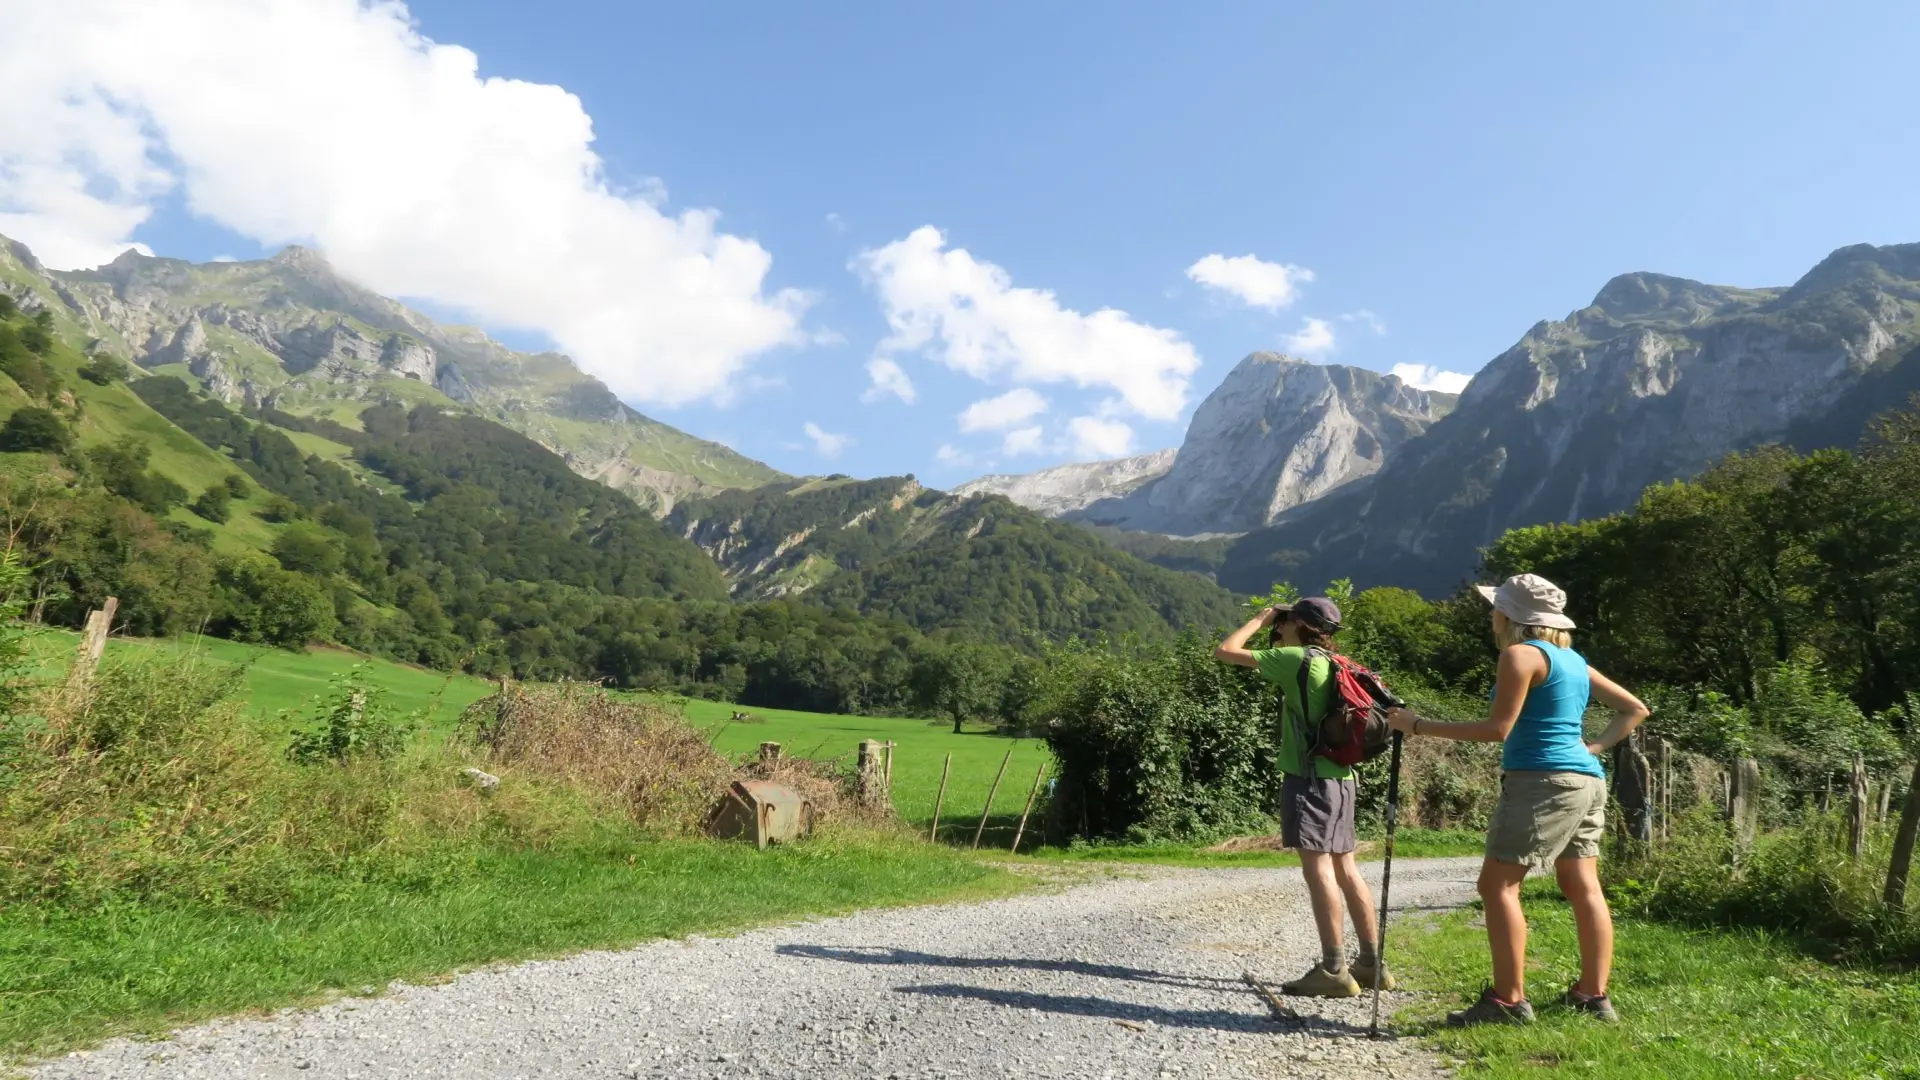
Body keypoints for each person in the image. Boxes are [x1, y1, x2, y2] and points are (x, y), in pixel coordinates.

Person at [1387, 573, 1648, 1026]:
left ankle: (1507, 1002)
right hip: (1586, 780)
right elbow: (1635, 708)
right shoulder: (1573, 661)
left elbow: (1497, 730)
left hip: (1541, 782)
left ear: (1508, 615)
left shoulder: (1519, 655)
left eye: (1495, 607)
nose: (1491, 614)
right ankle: (1593, 995)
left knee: (1498, 885)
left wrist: (1416, 725)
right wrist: (1595, 748)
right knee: (1584, 886)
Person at [1215, 597, 1390, 997]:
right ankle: (1370, 964)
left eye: (1285, 619)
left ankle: (1333, 971)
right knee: (1347, 868)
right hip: (1343, 777)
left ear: (1296, 622)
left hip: (1310, 778)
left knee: (1319, 870)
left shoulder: (1294, 658)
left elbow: (1225, 651)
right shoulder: (1337, 662)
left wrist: (1260, 619)